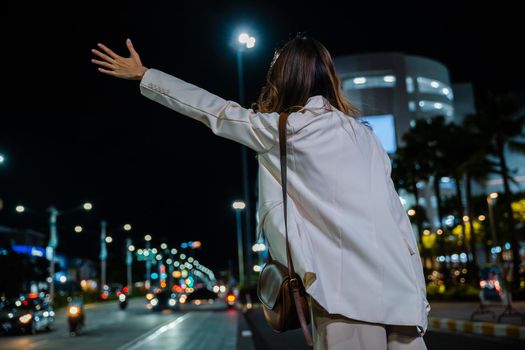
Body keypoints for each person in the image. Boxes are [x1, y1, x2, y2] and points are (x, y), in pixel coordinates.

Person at [91, 34, 430, 350]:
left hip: (346, 299)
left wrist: (145, 75)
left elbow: (216, 111)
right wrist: (421, 299)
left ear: (284, 78)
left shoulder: (287, 131)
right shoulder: (366, 136)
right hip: (403, 297)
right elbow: (399, 221)